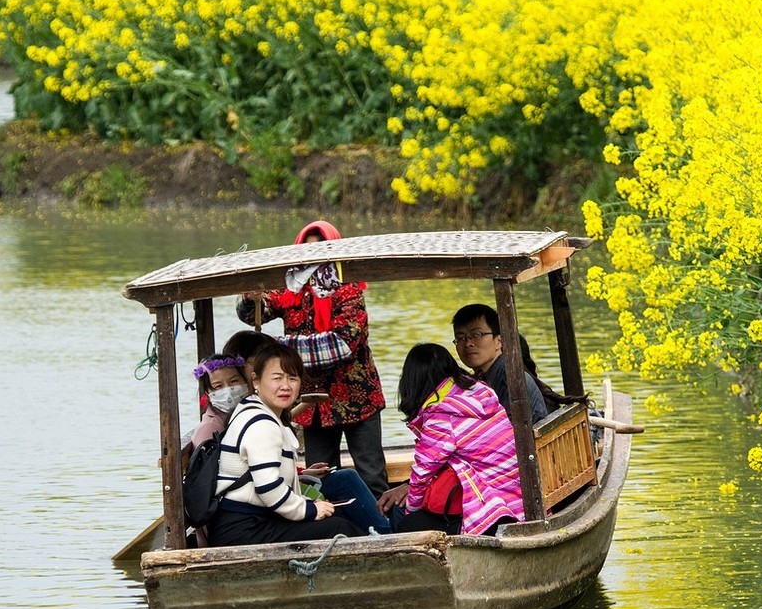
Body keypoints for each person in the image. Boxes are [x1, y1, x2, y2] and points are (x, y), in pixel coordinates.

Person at [236, 220, 389, 497]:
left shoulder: (348, 289)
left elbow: (342, 345)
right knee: (321, 476)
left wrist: (279, 349)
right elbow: (252, 314)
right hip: (313, 401)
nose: (312, 257)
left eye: (321, 249)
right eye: (306, 251)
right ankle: (331, 527)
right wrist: (251, 296)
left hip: (357, 399)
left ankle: (385, 530)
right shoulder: (291, 288)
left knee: (371, 475)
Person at [207, 343, 366, 546]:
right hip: (243, 529)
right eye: (277, 378)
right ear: (256, 380)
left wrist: (310, 506)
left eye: (292, 378)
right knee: (339, 528)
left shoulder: (255, 410)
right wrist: (308, 510)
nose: (286, 386)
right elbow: (268, 487)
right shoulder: (261, 422)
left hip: (251, 522)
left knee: (337, 516)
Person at [377, 344, 525, 536]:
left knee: (405, 521)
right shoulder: (480, 391)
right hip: (519, 497)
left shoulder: (440, 417)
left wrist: (409, 513)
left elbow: (422, 475)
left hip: (495, 509)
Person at [451, 303, 548, 423]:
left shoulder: (511, 380)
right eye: (460, 338)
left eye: (476, 335)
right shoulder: (478, 379)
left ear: (499, 341)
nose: (467, 343)